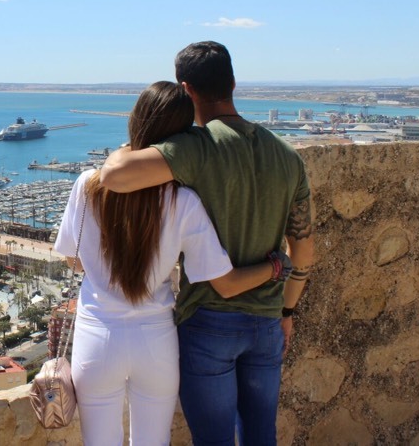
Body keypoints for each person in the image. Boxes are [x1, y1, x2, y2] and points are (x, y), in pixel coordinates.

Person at [100, 42, 315, 445]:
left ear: (186, 89)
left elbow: (114, 176)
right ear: (233, 83)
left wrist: (143, 137)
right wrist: (287, 309)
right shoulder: (288, 156)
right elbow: (303, 250)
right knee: (261, 436)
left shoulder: (196, 148)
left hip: (209, 321)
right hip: (268, 318)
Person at [54, 81, 291, 446]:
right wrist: (275, 268)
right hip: (156, 340)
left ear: (135, 120)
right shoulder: (184, 201)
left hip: (97, 336)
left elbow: (74, 259)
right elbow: (224, 282)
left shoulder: (88, 184)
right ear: (181, 138)